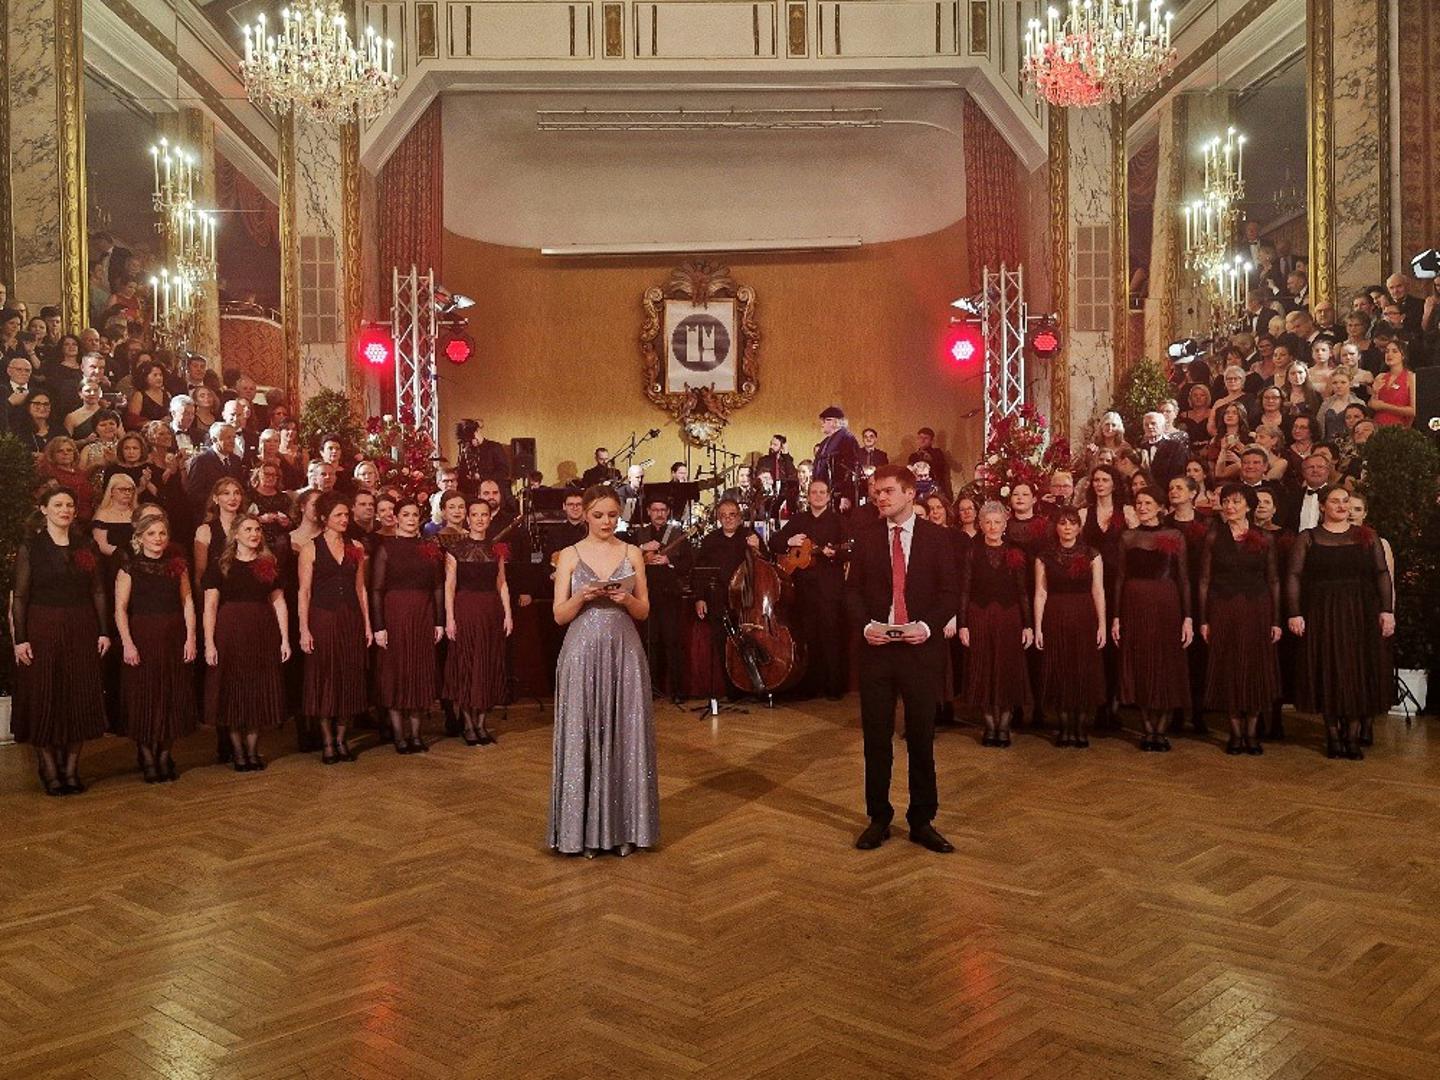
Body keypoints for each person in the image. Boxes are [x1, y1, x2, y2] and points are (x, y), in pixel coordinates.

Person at [845, 465, 959, 854]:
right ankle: (878, 817)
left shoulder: (938, 539)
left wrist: (926, 627)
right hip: (877, 652)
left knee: (921, 737)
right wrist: (865, 627)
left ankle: (922, 820)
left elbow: (950, 593)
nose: (880, 497)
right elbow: (851, 593)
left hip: (920, 652)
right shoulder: (866, 538)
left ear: (910, 493)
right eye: (877, 491)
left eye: (888, 491)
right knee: (876, 739)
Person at [549, 486, 657, 857]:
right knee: (584, 732)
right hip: (581, 650)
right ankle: (581, 833)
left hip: (624, 649)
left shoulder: (632, 552)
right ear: (585, 515)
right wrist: (582, 596)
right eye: (598, 515)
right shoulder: (569, 555)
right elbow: (559, 615)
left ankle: (624, 829)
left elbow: (644, 610)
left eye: (612, 515)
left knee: (625, 734)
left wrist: (627, 599)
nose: (606, 522)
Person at [9, 486, 110, 795]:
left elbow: (98, 590)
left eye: (69, 505)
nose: (65, 510)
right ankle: (50, 770)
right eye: (58, 505)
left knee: (78, 695)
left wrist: (104, 630)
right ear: (44, 509)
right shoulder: (32, 547)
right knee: (44, 694)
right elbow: (20, 597)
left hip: (81, 627)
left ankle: (70, 769)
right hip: (43, 627)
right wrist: (20, 639)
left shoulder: (86, 545)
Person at [1286, 486, 1395, 759]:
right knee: (1329, 669)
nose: (1342, 506)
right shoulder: (1308, 537)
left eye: (1345, 501)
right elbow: (1294, 576)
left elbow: (1382, 573)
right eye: (1335, 501)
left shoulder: (1366, 536)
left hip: (1360, 613)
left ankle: (1353, 737)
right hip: (1322, 612)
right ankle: (1334, 737)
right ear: (1323, 506)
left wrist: (1387, 610)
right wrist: (1294, 612)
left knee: (1357, 670)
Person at [1197, 485, 1281, 756]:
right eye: (1226, 502)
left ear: (1249, 506)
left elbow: (1274, 580)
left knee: (1255, 667)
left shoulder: (1265, 537)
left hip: (1257, 608)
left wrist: (1276, 620)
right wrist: (1204, 619)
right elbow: (1204, 580)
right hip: (1223, 607)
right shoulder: (1213, 536)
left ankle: (1252, 733)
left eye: (1236, 502)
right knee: (1229, 667)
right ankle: (1235, 733)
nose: (1230, 507)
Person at [113, 509, 196, 783]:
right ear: (140, 538)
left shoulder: (178, 566)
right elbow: (120, 609)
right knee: (144, 698)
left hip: (173, 637)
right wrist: (127, 644)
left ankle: (164, 756)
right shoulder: (130, 568)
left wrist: (191, 638)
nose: (158, 538)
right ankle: (148, 758)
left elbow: (187, 603)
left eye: (162, 533)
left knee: (171, 696)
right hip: (143, 636)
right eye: (151, 533)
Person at [203, 514, 291, 772]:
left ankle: (252, 751)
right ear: (236, 534)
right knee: (233, 691)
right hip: (230, 633)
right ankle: (238, 752)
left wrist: (285, 639)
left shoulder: (267, 564)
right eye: (248, 529)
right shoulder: (221, 565)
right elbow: (210, 606)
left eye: (257, 529)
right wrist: (209, 643)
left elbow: (279, 602)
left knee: (257, 691)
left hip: (262, 633)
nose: (254, 534)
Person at [1113, 490, 1193, 751]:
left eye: (1148, 503)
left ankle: (1161, 731)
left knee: (1165, 664)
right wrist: (1116, 617)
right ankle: (1148, 730)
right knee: (1141, 663)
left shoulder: (1174, 535)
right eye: (1139, 503)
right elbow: (1120, 578)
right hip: (1134, 605)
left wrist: (1188, 617)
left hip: (1166, 604)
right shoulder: (1127, 537)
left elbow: (1184, 579)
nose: (1142, 507)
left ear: (1160, 507)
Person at [298, 493, 371, 765]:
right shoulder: (310, 548)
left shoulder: (356, 546)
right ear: (324, 518)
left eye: (346, 515)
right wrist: (304, 629)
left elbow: (360, 589)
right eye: (338, 515)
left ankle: (341, 740)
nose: (344, 519)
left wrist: (367, 624)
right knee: (325, 677)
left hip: (350, 618)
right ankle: (328, 741)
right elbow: (304, 592)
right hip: (323, 618)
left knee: (348, 677)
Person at [369, 499, 444, 754]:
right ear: (397, 518)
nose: (411, 519)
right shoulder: (386, 548)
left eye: (414, 514)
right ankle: (399, 736)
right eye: (406, 514)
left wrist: (439, 621)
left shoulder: (429, 547)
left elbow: (438, 586)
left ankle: (416, 735)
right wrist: (379, 626)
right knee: (396, 672)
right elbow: (376, 590)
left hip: (423, 614)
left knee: (418, 672)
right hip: (394, 615)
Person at [957, 501, 1033, 748]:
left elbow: (1023, 591)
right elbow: (965, 590)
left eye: (997, 522)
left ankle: (1004, 727)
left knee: (1007, 670)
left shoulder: (1015, 552)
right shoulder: (972, 552)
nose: (992, 526)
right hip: (979, 617)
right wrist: (963, 624)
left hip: (1009, 618)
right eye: (987, 522)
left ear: (1004, 525)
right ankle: (990, 726)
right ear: (980, 525)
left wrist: (1028, 625)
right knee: (983, 670)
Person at [772, 477, 851, 701]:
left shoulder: (838, 521)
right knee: (807, 637)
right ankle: (809, 686)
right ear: (808, 496)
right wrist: (789, 541)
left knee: (831, 636)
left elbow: (851, 549)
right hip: (803, 589)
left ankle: (834, 687)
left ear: (828, 496)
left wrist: (835, 554)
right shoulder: (798, 520)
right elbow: (774, 542)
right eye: (814, 492)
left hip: (829, 589)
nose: (818, 496)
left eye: (822, 492)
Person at [1033, 508, 1106, 748]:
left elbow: (1098, 591)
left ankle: (1080, 728)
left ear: (1079, 527)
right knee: (1061, 669)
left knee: (1082, 670)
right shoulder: (1044, 556)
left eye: (1072, 523)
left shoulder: (1092, 554)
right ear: (1056, 527)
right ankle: (1064, 727)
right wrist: (1038, 627)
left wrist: (1102, 624)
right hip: (1055, 615)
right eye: (1063, 523)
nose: (1067, 527)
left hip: (1084, 616)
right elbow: (1041, 592)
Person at [443, 498, 512, 745]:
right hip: (465, 610)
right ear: (468, 518)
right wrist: (450, 618)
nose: (480, 519)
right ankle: (468, 725)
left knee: (487, 664)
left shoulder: (497, 549)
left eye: (484, 514)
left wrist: (508, 614)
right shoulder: (455, 549)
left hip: (491, 612)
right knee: (466, 665)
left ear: (490, 518)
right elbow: (449, 586)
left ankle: (481, 725)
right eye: (475, 514)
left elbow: (502, 583)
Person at [634, 495, 693, 705]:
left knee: (672, 642)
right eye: (655, 510)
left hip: (669, 595)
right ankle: (650, 689)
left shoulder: (677, 534)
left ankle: (677, 690)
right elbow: (626, 559)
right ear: (648, 512)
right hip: (646, 595)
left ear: (668, 512)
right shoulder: (639, 535)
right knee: (650, 642)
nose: (659, 514)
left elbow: (688, 563)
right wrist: (642, 550)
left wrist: (669, 560)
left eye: (662, 510)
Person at [184, 422, 246, 518]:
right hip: (210, 515)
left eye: (233, 437)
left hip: (233, 515)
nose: (232, 441)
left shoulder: (236, 460)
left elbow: (240, 487)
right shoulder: (201, 461)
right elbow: (194, 494)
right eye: (228, 437)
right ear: (214, 439)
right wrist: (218, 501)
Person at [813, 406, 862, 508]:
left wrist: (846, 495)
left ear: (836, 422)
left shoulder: (847, 439)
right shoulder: (825, 442)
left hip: (838, 496)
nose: (822, 423)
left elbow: (850, 468)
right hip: (825, 494)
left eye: (826, 420)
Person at [1370, 340, 1416, 427]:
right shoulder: (1380, 377)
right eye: (1387, 351)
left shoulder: (1411, 377)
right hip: (1377, 425)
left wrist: (1385, 406)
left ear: (1403, 356)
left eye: (1394, 351)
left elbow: (1413, 411)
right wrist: (1375, 393)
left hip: (1398, 428)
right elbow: (1373, 404)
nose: (1389, 354)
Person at [1137, 411, 1188, 488]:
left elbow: (1179, 472)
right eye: (1146, 425)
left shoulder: (1175, 447)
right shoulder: (1140, 447)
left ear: (1162, 426)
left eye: (1153, 423)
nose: (1149, 427)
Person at [907, 426, 952, 502]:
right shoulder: (913, 456)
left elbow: (942, 470)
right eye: (920, 438)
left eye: (926, 438)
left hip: (935, 488)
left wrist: (931, 460)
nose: (922, 440)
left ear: (932, 441)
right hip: (918, 489)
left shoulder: (938, 453)